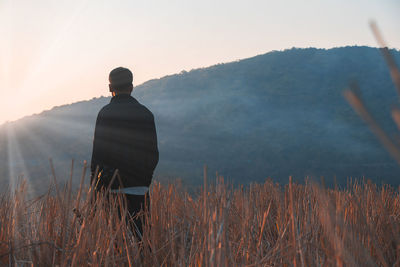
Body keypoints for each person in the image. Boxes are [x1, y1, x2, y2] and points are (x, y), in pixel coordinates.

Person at [90, 67, 159, 236]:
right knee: (142, 243)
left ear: (110, 88)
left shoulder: (105, 114)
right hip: (139, 189)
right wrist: (144, 180)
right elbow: (153, 154)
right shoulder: (145, 114)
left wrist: (95, 189)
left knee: (115, 247)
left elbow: (98, 155)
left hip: (111, 191)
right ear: (132, 87)